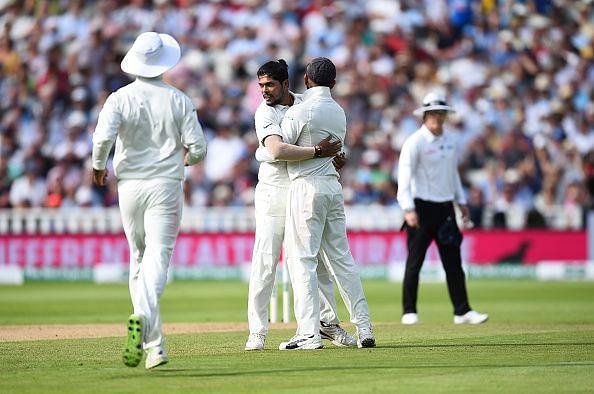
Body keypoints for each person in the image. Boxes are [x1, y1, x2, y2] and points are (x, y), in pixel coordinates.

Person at [92, 32, 207, 369]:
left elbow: (102, 139)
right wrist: (184, 161)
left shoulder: (119, 98)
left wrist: (98, 167)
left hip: (129, 187)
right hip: (165, 185)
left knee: (139, 259)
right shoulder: (179, 99)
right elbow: (198, 149)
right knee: (157, 258)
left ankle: (154, 347)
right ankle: (142, 318)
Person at [245, 59, 356, 351]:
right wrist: (318, 151)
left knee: (314, 262)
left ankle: (327, 324)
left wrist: (335, 157)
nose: (264, 91)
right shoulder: (263, 113)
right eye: (260, 86)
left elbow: (330, 139)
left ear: (285, 83)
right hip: (272, 191)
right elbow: (277, 151)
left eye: (269, 84)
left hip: (302, 189)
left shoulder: (307, 102)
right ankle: (257, 330)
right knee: (266, 261)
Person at [266, 57, 376, 350]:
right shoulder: (339, 112)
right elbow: (341, 154)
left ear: (306, 81)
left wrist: (310, 151)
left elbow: (276, 151)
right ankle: (364, 328)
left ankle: (308, 333)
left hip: (306, 189)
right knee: (342, 260)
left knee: (301, 260)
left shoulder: (301, 111)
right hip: (332, 188)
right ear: (334, 83)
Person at [397, 91, 488, 325]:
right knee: (415, 262)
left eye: (441, 113)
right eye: (433, 114)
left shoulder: (450, 141)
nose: (437, 118)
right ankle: (409, 311)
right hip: (421, 209)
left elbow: (453, 174)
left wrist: (462, 201)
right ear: (424, 116)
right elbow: (404, 180)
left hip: (446, 209)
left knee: (454, 263)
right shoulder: (415, 142)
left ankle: (462, 311)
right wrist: (408, 209)